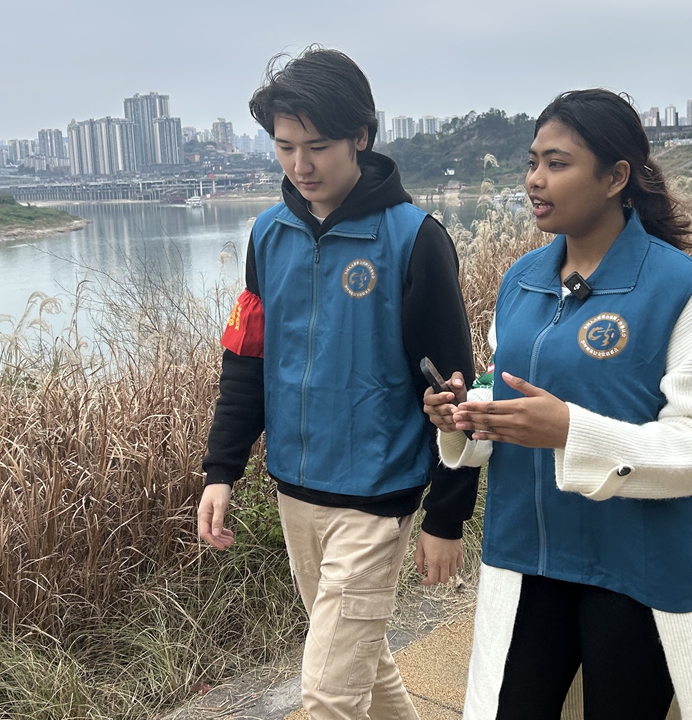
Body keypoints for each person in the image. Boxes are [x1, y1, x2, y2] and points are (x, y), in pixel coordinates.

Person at [424, 89, 692, 720]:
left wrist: (572, 431)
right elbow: (508, 395)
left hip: (636, 571)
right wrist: (470, 416)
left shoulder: (682, 293)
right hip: (529, 554)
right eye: (533, 161)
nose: (535, 180)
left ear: (615, 177)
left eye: (558, 163)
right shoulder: (522, 281)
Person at [197, 47, 480, 720]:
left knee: (327, 694)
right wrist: (221, 470)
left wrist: (446, 514)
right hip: (297, 489)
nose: (301, 166)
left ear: (361, 136)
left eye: (317, 146)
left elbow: (458, 396)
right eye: (285, 146)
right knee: (362, 663)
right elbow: (247, 363)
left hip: (379, 492)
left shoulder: (415, 239)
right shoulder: (268, 235)